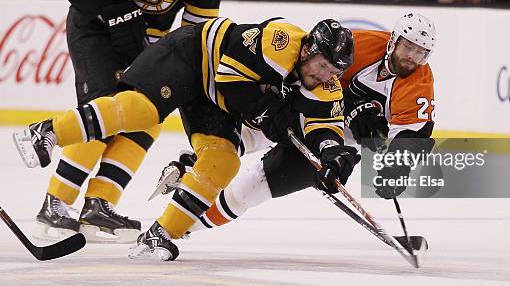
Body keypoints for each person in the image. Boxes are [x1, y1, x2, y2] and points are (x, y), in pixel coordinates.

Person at [14, 18, 357, 261]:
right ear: (309, 48)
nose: (325, 75)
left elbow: (323, 127)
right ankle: (47, 131)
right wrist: (266, 114)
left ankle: (160, 234)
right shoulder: (280, 42)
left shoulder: (326, 86)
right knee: (140, 111)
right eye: (323, 65)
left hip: (214, 101)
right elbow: (229, 76)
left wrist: (331, 156)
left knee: (223, 162)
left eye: (334, 71)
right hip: (191, 57)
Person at [21, 0, 228, 244]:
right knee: (103, 109)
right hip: (94, 29)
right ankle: (56, 203)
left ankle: (99, 204)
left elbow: (197, 30)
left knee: (145, 116)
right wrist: (116, 14)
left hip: (146, 43)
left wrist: (179, 65)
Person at [153, 12, 436, 237]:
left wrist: (396, 169)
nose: (412, 57)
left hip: (339, 142)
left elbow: (414, 134)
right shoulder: (360, 44)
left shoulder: (420, 83)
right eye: (408, 46)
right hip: (314, 113)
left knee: (258, 186)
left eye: (421, 52)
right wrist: (351, 107)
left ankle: (185, 226)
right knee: (255, 133)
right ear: (393, 40)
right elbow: (320, 77)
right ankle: (195, 163)